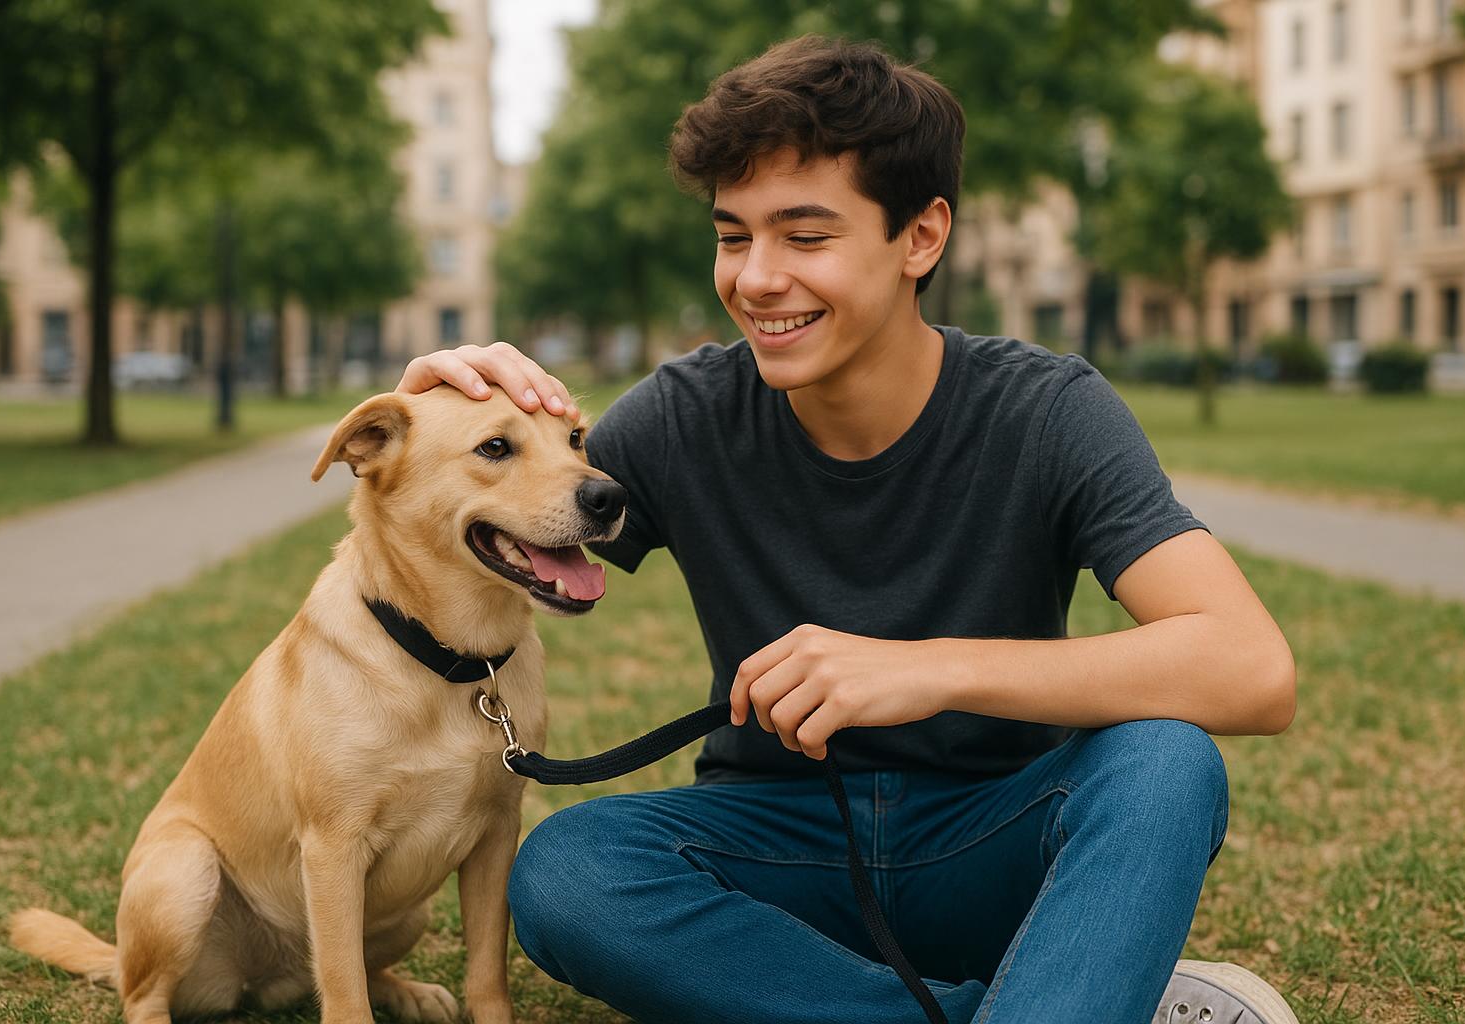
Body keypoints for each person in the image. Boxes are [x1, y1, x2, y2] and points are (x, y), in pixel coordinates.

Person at [397, 35, 1298, 1024]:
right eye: (734, 234)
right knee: (568, 869)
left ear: (922, 236)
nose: (756, 277)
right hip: (778, 852)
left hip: (999, 845)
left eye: (805, 235)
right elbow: (512, 530)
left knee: (1167, 761)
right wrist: (439, 428)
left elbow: (1250, 667)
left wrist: (930, 669)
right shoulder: (683, 414)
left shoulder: (1047, 411)